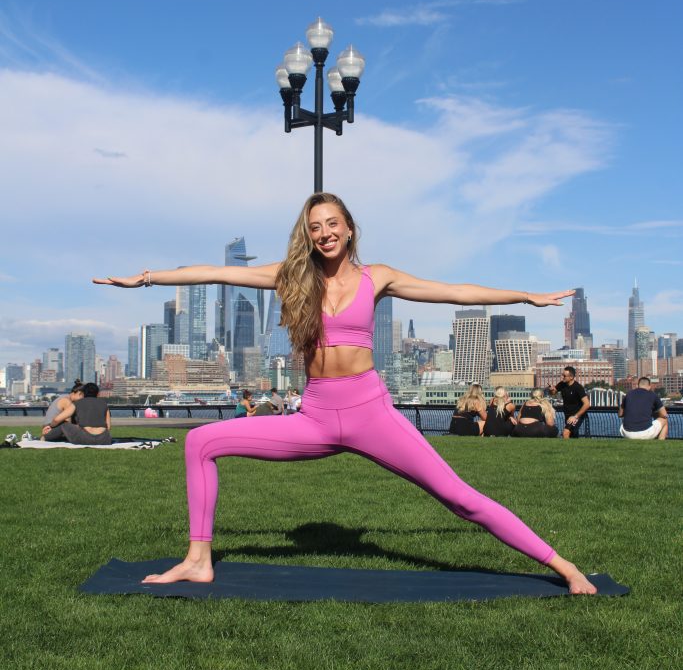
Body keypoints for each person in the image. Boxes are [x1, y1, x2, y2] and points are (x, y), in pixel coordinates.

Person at [94, 191, 597, 594]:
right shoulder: (291, 277)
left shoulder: (378, 278)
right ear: (307, 236)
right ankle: (198, 560)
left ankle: (563, 565)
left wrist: (525, 295)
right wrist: (147, 279)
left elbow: (455, 290)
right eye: (314, 227)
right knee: (200, 442)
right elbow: (217, 272)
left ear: (349, 228)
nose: (324, 233)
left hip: (370, 412)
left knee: (458, 497)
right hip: (313, 416)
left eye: (332, 223)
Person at [43, 382, 112, 445]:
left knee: (64, 424)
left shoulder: (77, 403)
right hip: (105, 439)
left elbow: (56, 420)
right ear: (98, 394)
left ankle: (46, 437)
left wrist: (50, 426)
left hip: (85, 439)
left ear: (83, 393)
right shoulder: (104, 404)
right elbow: (108, 427)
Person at [548, 366, 590, 439]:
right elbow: (553, 392)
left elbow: (587, 404)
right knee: (573, 436)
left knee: (566, 432)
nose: (562, 377)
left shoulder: (578, 388)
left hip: (577, 415)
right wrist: (551, 389)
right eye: (562, 375)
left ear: (571, 377)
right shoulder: (562, 384)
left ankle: (565, 449)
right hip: (567, 414)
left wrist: (575, 416)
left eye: (564, 376)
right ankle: (575, 449)